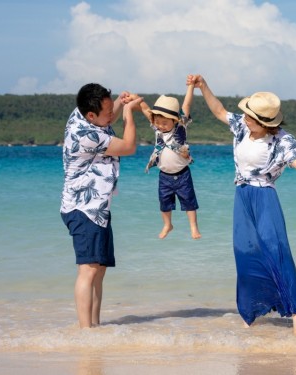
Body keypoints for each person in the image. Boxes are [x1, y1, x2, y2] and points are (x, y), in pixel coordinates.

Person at [188, 74, 296, 336]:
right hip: (242, 196)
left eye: (250, 116)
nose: (245, 118)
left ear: (265, 122)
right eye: (246, 115)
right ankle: (252, 312)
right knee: (246, 253)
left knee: (276, 252)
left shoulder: (283, 140)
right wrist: (203, 86)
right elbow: (218, 110)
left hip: (264, 197)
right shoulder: (243, 127)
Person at [60, 83, 142, 328]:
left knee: (99, 269)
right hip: (83, 208)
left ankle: (95, 326)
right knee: (88, 270)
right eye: (106, 111)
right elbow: (128, 147)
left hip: (98, 209)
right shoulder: (86, 134)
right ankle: (86, 331)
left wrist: (119, 102)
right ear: (91, 116)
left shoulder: (81, 114)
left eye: (110, 107)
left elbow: (107, 116)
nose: (111, 114)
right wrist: (128, 113)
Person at [129, 83, 201, 240]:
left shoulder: (181, 126)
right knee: (164, 203)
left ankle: (193, 226)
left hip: (182, 175)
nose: (160, 126)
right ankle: (168, 224)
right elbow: (146, 110)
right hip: (164, 176)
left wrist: (190, 87)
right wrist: (136, 98)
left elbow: (186, 104)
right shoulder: (156, 128)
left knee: (189, 201)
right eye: (157, 122)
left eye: (164, 123)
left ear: (175, 120)